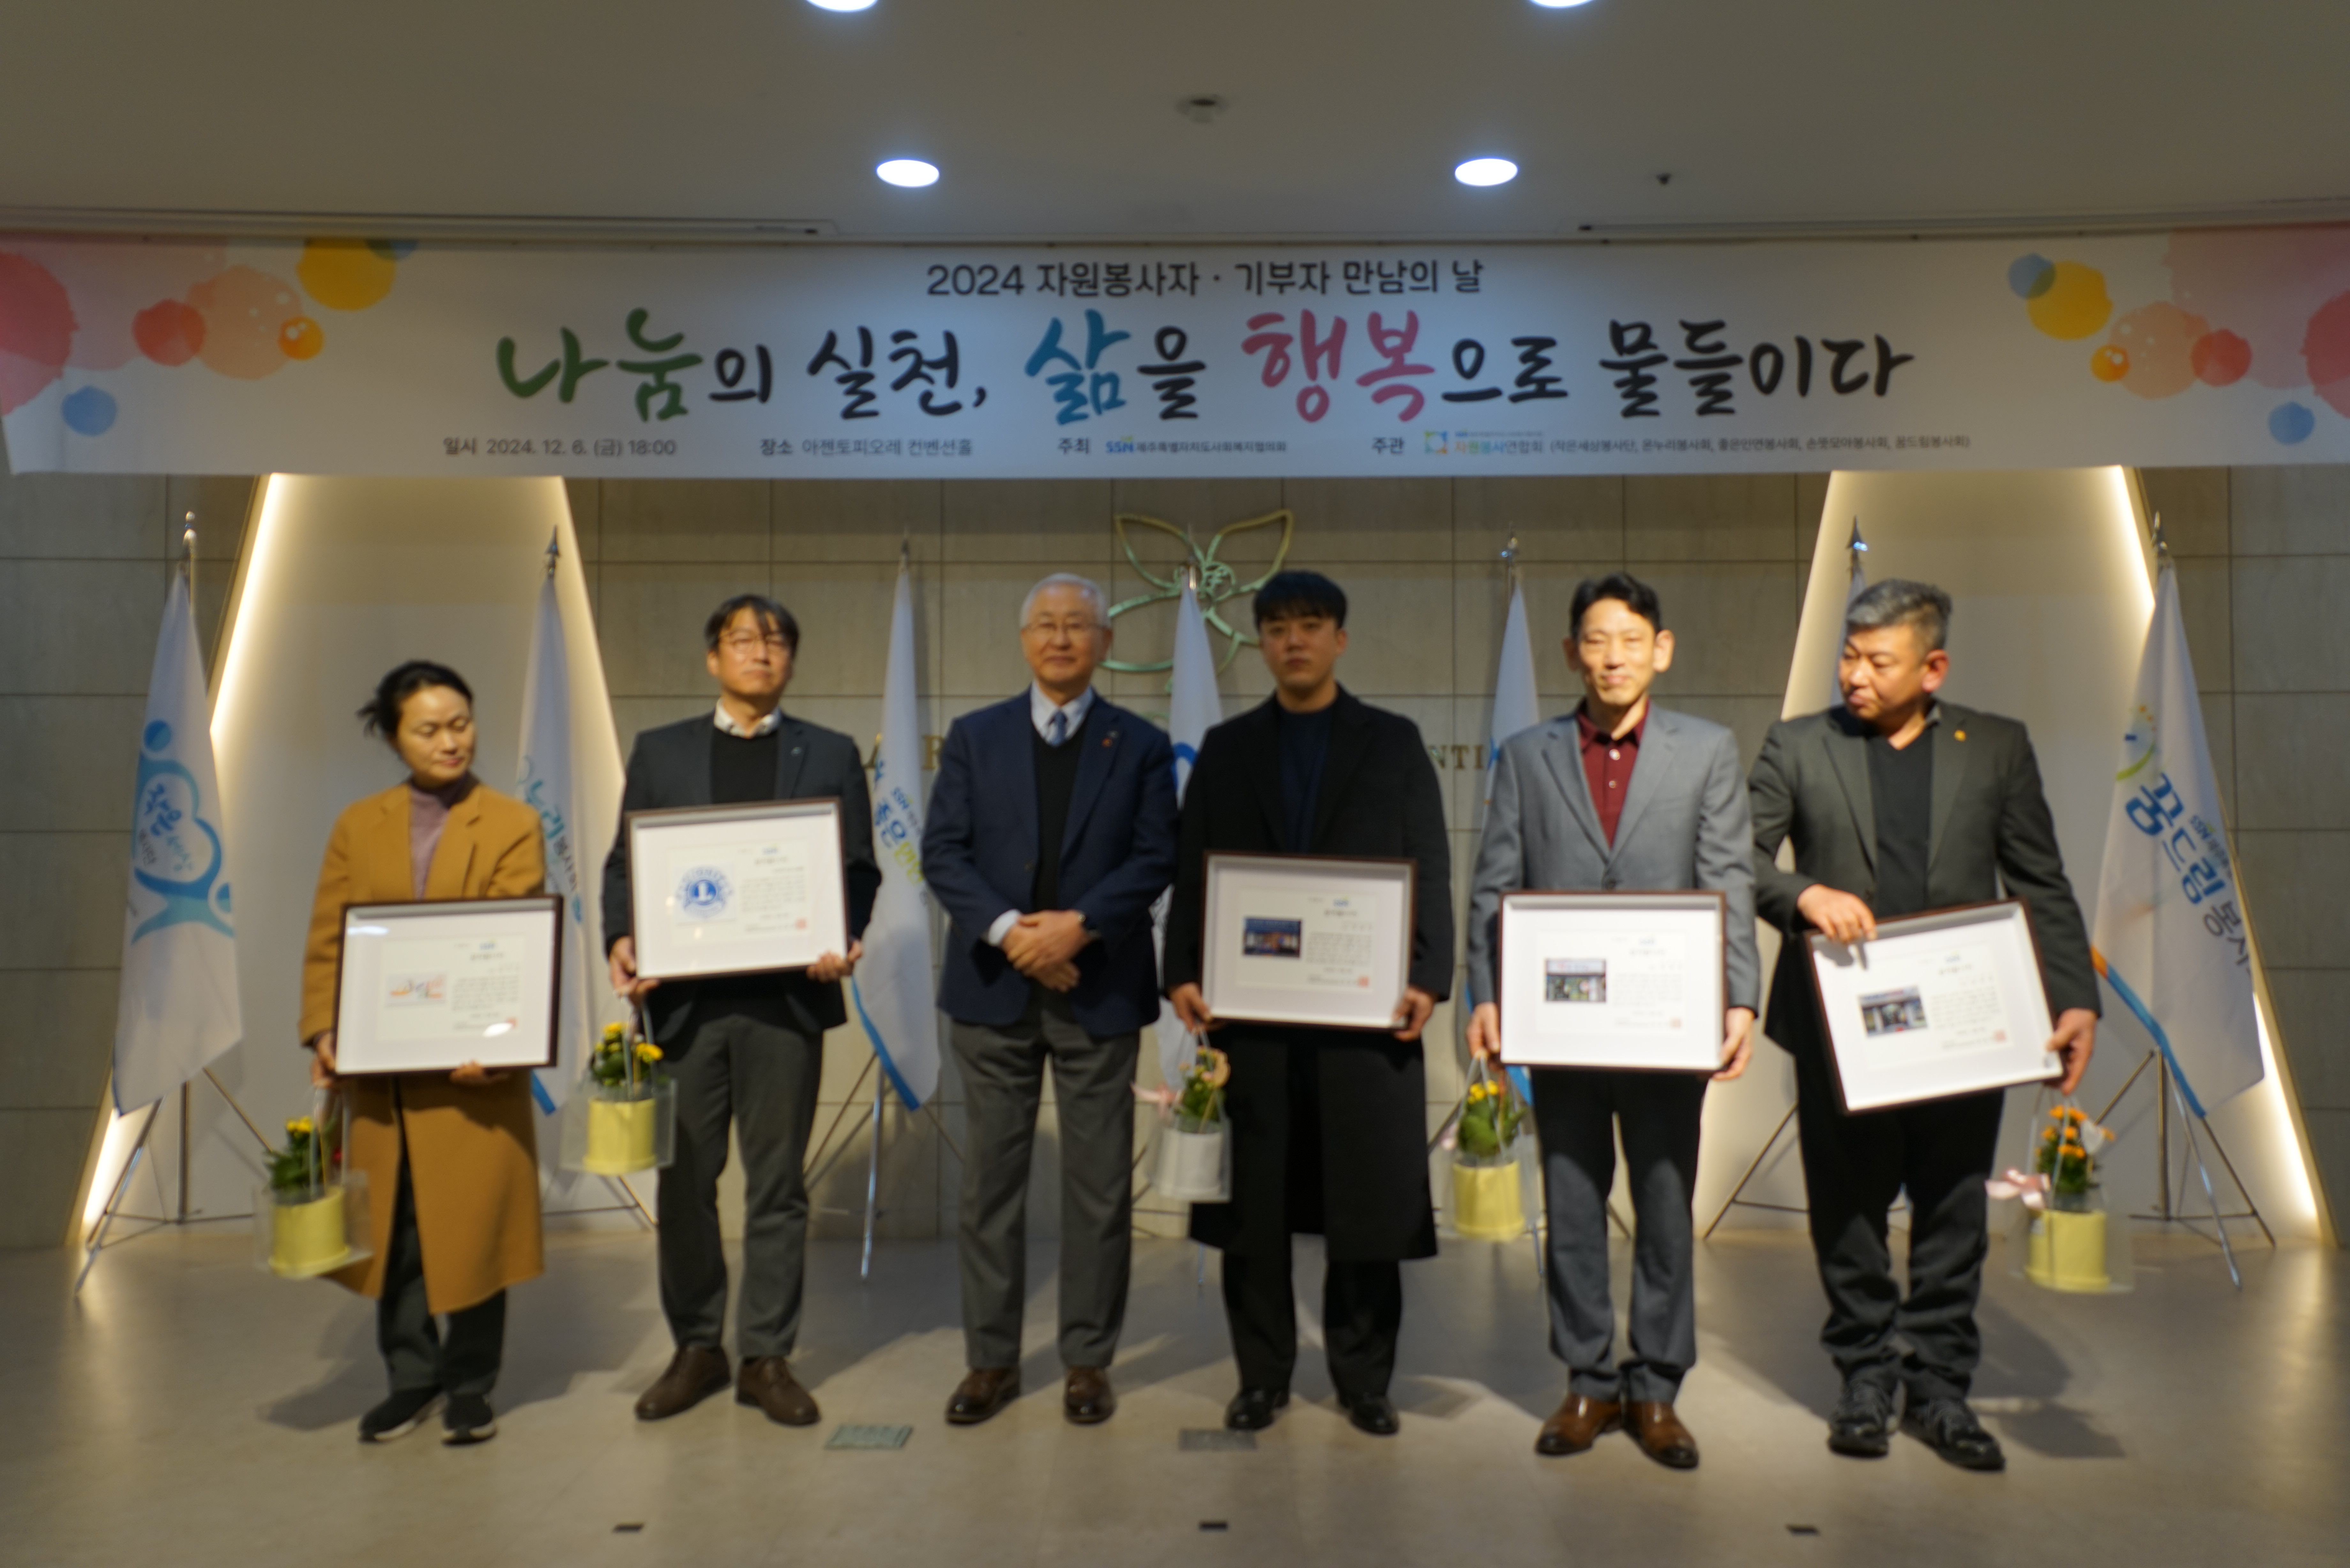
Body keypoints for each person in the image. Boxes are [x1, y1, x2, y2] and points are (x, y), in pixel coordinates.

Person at [1749, 578, 2099, 1472]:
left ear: (1932, 668)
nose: (1854, 675)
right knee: (1848, 1208)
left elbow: (2039, 879)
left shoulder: (1997, 748)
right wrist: (1805, 894)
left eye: (1878, 661)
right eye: (1848, 656)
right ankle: (1864, 1375)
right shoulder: (1798, 745)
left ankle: (1940, 1387)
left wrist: (2073, 997)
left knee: (1953, 1210)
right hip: (1839, 1027)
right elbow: (1737, 857)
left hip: (1962, 1026)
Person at [1465, 572, 1760, 1470]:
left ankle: (1657, 1387)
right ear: (1570, 653)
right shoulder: (1527, 754)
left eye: (1630, 639)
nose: (1613, 657)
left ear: (1660, 650)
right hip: (1562, 1030)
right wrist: (1486, 994)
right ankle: (1588, 1380)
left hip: (1668, 1025)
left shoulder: (1706, 751)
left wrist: (1739, 998)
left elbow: (1728, 878)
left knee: (1666, 1207)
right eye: (1595, 640)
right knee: (1572, 1202)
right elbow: (1494, 885)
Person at [1165, 570, 1453, 1437]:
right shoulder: (1226, 748)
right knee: (1251, 1206)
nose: (1294, 640)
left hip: (1364, 1014)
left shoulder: (1393, 742)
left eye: (1311, 624)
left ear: (1340, 639)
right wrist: (1181, 970)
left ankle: (1364, 1380)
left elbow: (1429, 861)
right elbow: (1192, 867)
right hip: (1250, 1016)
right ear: (1260, 643)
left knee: (1365, 1202)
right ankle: (1262, 1378)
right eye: (1277, 626)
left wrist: (1428, 976)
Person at [602, 594, 879, 1428]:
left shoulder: (828, 752)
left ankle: (765, 1355)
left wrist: (841, 934)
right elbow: (625, 864)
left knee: (778, 1184)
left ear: (791, 659)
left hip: (784, 1005)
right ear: (713, 658)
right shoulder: (661, 751)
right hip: (683, 1009)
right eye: (743, 639)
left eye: (776, 640)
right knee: (684, 1182)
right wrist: (622, 936)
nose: (761, 651)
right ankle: (697, 1346)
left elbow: (857, 868)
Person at [919, 573, 1177, 1427]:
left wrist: (1079, 929)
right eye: (1046, 624)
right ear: (1024, 639)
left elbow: (1155, 856)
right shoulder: (975, 736)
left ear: (1105, 641)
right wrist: (1014, 936)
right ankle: (990, 1360)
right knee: (990, 1185)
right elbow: (943, 852)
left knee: (1099, 1188)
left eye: (1077, 625)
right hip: (993, 989)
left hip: (1098, 990)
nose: (1061, 638)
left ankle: (1087, 1361)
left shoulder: (1141, 744)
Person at [300, 660, 547, 1446]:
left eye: (461, 723)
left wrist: (500, 1041)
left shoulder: (511, 821)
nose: (450, 741)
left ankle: (471, 1384)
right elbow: (330, 936)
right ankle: (411, 1378)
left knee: (475, 1229)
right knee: (395, 1232)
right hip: (382, 1076)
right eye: (429, 729)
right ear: (393, 736)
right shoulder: (358, 823)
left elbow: (512, 942)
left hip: (475, 1071)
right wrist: (325, 1030)